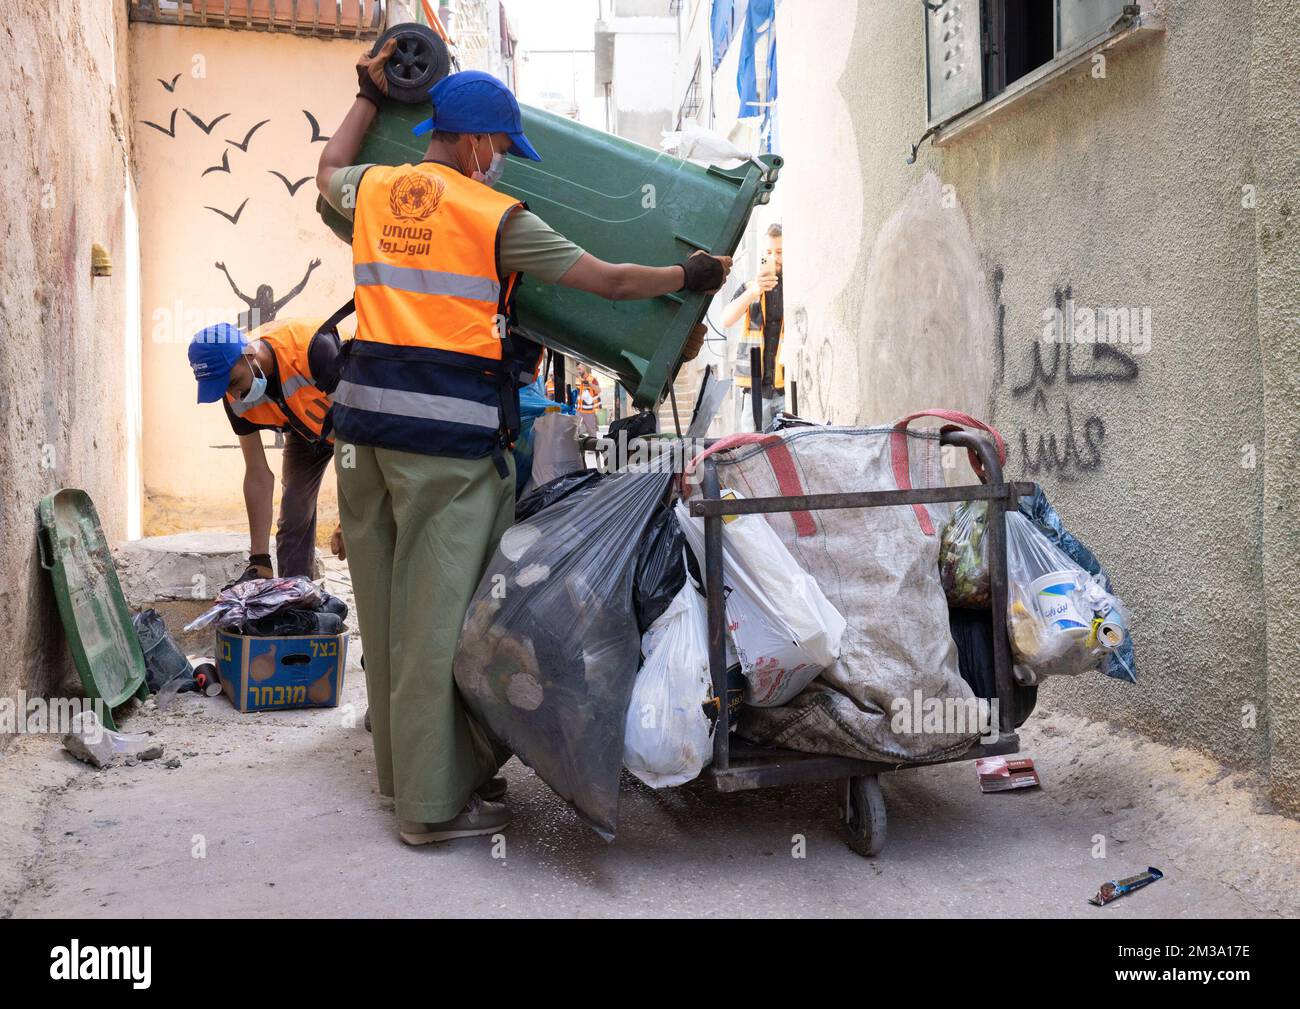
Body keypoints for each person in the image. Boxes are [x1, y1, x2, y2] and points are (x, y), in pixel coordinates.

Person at [316, 57, 731, 846]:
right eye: (500, 144)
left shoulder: (373, 190)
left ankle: (403, 779)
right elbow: (605, 281)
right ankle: (430, 810)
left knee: (388, 616)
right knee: (439, 619)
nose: (501, 158)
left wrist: (367, 95)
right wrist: (690, 271)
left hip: (362, 439)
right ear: (473, 142)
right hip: (443, 443)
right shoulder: (491, 214)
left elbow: (326, 167)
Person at [188, 317, 343, 583]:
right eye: (224, 387)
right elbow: (257, 472)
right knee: (293, 519)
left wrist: (348, 519)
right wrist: (259, 557)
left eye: (234, 381)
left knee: (365, 524)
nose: (235, 395)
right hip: (305, 433)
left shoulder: (313, 351)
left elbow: (355, 442)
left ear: (248, 353)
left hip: (356, 434)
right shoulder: (234, 398)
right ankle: (297, 603)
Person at [720, 222, 784, 431]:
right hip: (756, 389)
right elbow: (726, 319)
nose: (774, 257)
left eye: (779, 252)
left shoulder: (796, 285)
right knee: (752, 451)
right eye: (768, 252)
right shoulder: (751, 287)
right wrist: (753, 291)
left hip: (788, 388)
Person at [575, 363, 602, 437]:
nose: (578, 371)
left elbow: (598, 390)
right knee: (575, 430)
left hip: (589, 411)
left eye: (579, 369)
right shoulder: (578, 379)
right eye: (577, 369)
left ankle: (593, 446)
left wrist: (589, 384)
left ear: (584, 367)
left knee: (592, 432)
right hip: (578, 410)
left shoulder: (592, 379)